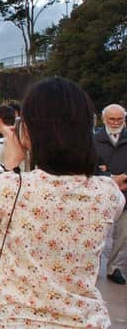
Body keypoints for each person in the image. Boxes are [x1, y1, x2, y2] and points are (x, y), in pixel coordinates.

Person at [0, 77, 125, 328]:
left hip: (17, 320)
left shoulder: (13, 187)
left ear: (28, 132)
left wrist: (7, 166)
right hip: (85, 320)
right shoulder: (107, 192)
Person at [94, 103, 127, 285]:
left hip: (125, 194)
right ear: (104, 119)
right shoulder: (93, 140)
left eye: (119, 119)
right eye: (112, 119)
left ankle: (114, 268)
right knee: (98, 235)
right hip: (101, 197)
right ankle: (93, 268)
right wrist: (111, 177)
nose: (115, 122)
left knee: (123, 235)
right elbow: (90, 167)